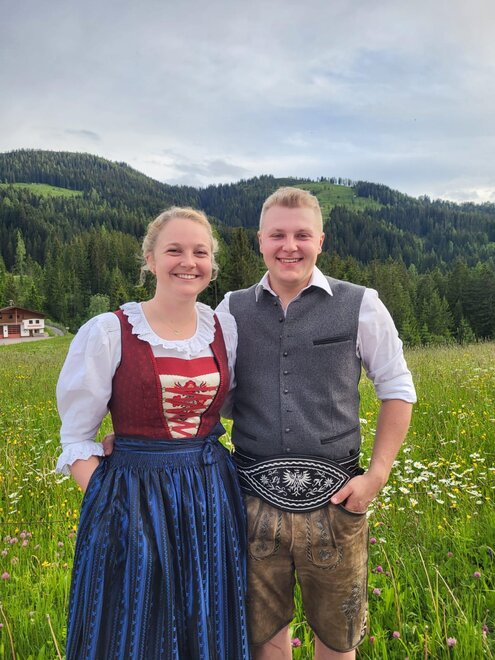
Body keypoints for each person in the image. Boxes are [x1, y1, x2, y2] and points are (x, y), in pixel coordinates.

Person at [216, 187, 417, 660]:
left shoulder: (361, 303)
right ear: (260, 241)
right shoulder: (230, 309)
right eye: (277, 235)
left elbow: (397, 387)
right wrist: (143, 433)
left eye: (302, 235)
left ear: (320, 241)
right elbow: (209, 390)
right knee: (264, 636)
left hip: (337, 500)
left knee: (337, 637)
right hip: (251, 498)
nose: (290, 246)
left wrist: (377, 476)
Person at [56, 207, 250, 660]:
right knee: (134, 624)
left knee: (207, 619)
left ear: (212, 262)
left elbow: (232, 402)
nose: (189, 262)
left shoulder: (223, 327)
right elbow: (77, 437)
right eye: (174, 250)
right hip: (133, 495)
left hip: (209, 494)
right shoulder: (109, 331)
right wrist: (109, 499)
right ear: (150, 259)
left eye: (200, 252)